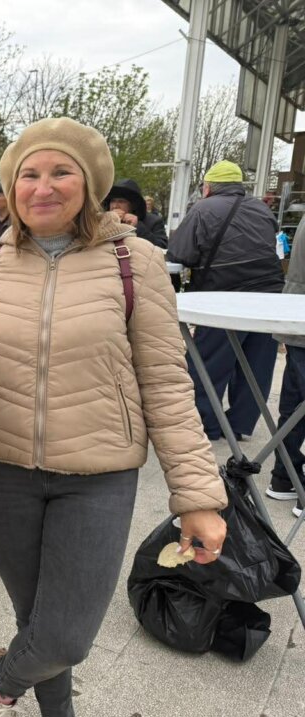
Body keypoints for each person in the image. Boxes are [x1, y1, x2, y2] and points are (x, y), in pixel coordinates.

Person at [0, 117, 227, 717]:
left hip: (100, 471)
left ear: (89, 184)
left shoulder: (133, 262)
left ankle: (1, 685)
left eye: (61, 172)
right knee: (35, 611)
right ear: (11, 187)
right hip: (0, 465)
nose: (43, 187)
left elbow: (168, 381)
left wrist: (197, 496)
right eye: (28, 173)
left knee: (66, 632)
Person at [168, 160, 285, 441]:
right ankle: (240, 424)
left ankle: (205, 423)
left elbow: (180, 253)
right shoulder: (262, 208)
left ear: (208, 187)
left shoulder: (203, 209)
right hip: (269, 294)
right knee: (257, 362)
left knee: (209, 361)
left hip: (223, 294)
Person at [265, 225, 305, 517]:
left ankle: (285, 475)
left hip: (296, 313)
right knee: (295, 406)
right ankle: (288, 478)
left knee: (295, 407)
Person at [103, 178, 168, 249]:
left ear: (133, 205)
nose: (115, 206)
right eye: (113, 201)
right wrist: (106, 222)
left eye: (121, 201)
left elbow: (162, 247)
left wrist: (138, 226)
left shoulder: (153, 221)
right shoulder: (102, 220)